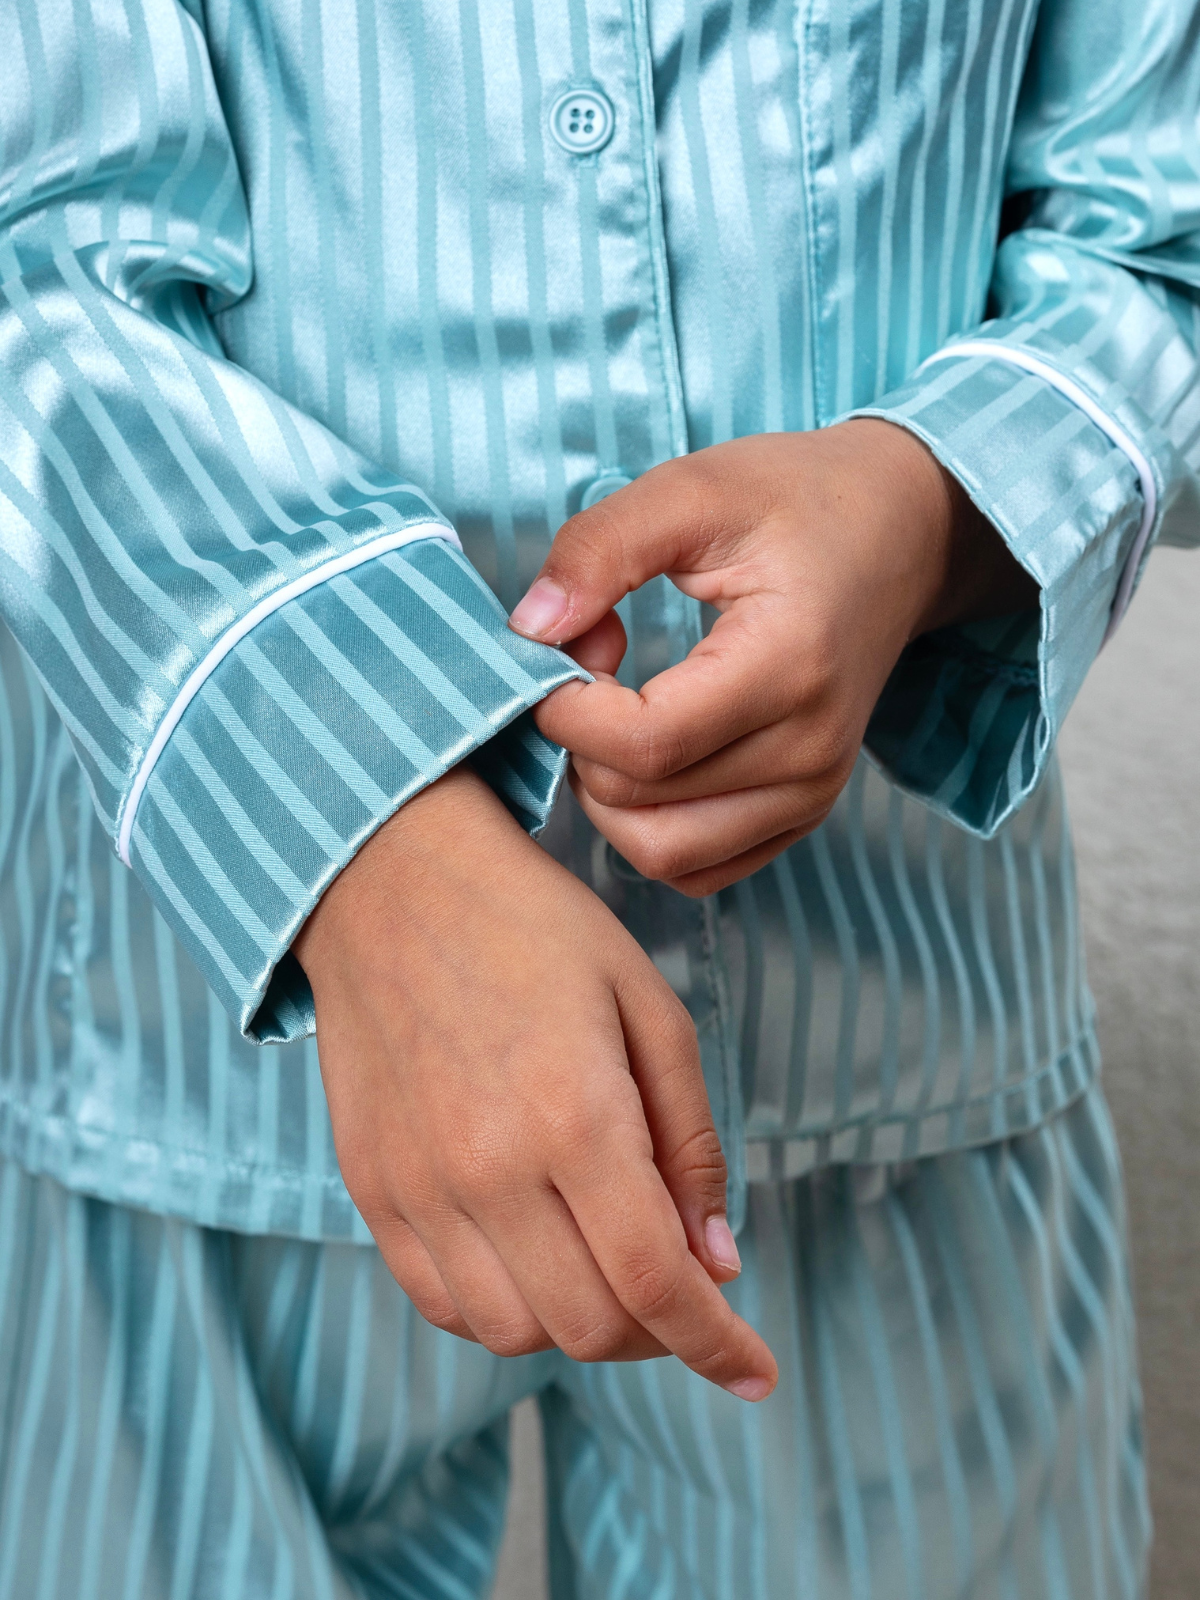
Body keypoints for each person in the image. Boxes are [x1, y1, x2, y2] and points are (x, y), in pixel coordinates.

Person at [0, 0, 1196, 1594]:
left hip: (893, 1051)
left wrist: (925, 509)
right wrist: (361, 830)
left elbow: (1162, 222)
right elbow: (33, 243)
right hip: (182, 1073)